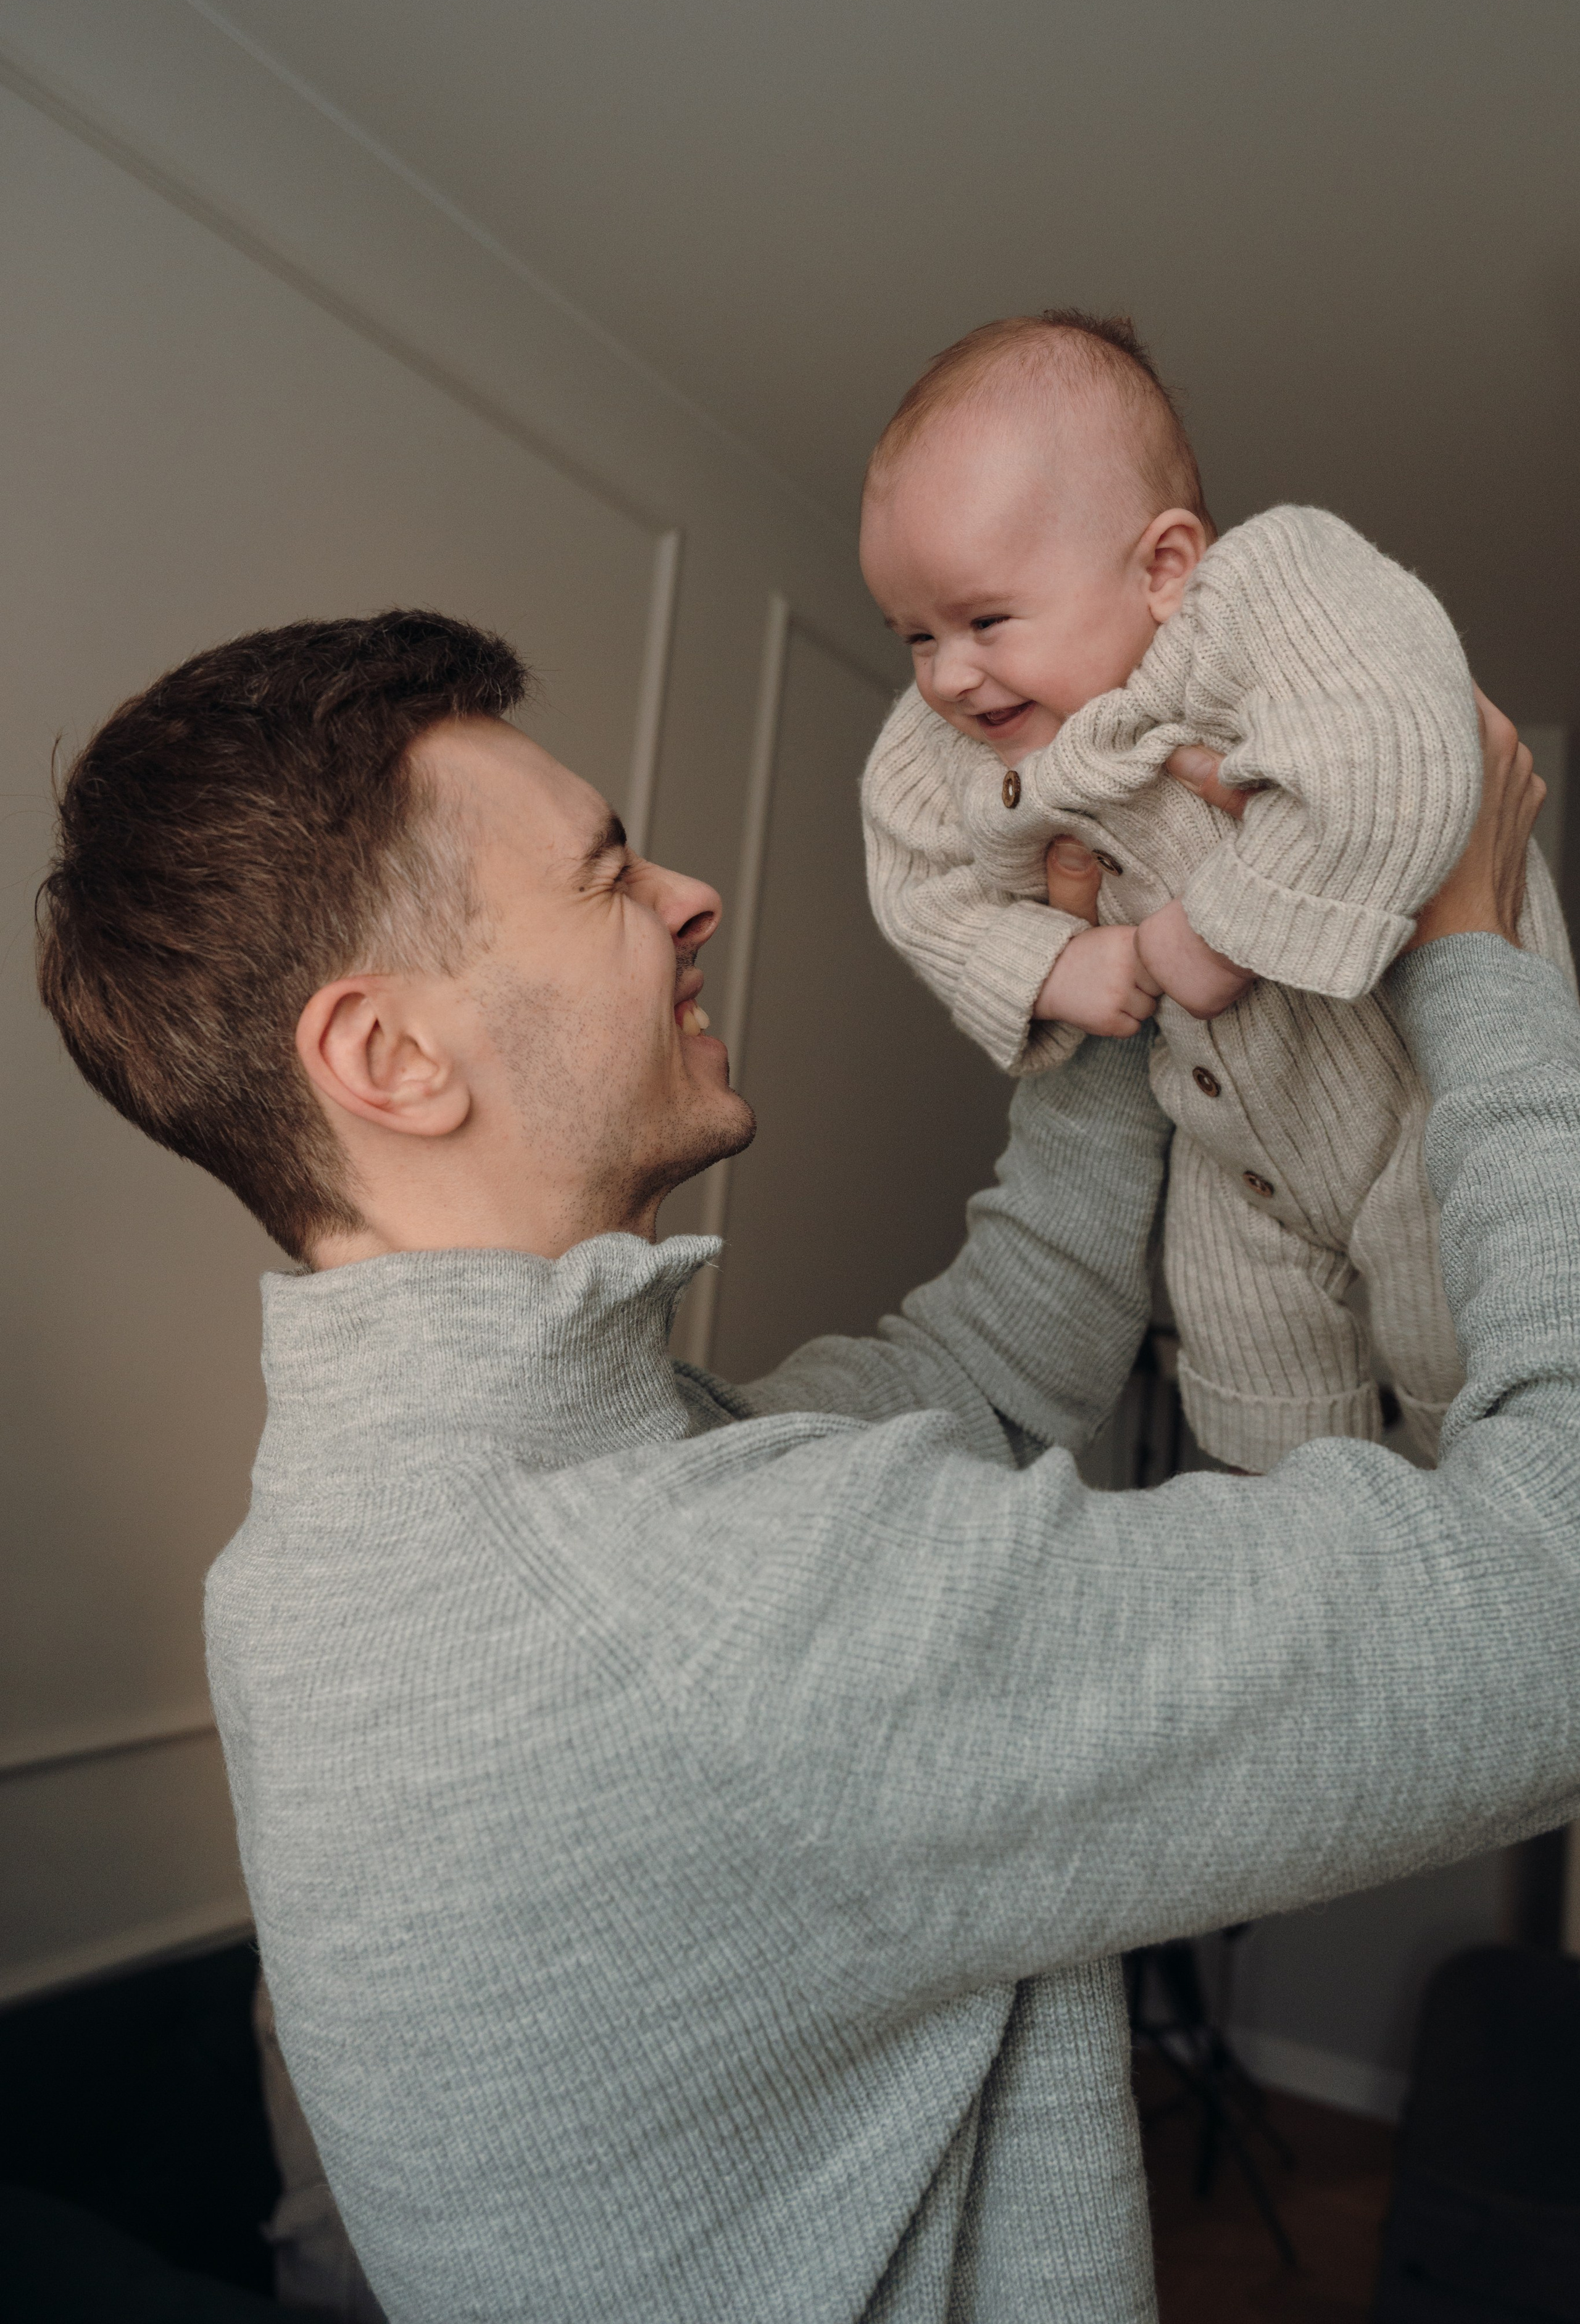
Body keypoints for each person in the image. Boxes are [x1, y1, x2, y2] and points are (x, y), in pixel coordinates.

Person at [35, 610, 1580, 2323]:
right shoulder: (704, 1609)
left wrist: (1121, 980)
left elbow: (981, 1371)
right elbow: (1555, 1600)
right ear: (391, 1059)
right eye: (607, 875)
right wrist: (1482, 959)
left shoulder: (351, 1544)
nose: (687, 894)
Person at [860, 310, 1573, 1471]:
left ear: (1165, 567)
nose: (947, 674)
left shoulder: (1274, 597)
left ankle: (1487, 1511)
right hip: (1228, 1144)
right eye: (911, 637)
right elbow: (917, 884)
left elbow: (1403, 749)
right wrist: (1054, 963)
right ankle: (1282, 1532)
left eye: (984, 619)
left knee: (1477, 1355)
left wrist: (1223, 930)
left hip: (1419, 1096)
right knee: (1251, 1383)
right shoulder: (943, 746)